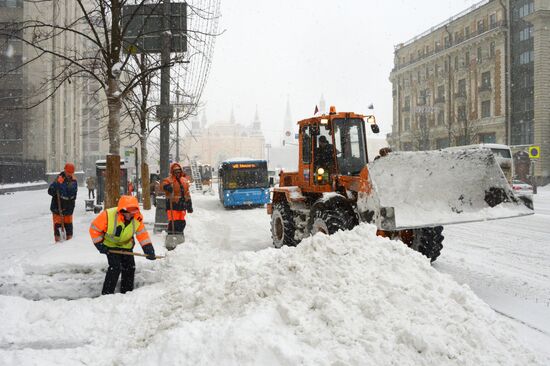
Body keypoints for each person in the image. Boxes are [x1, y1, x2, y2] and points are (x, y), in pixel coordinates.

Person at [89, 195, 156, 295]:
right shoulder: (108, 215)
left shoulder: (137, 218)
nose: (132, 214)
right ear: (122, 210)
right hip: (110, 246)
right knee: (115, 267)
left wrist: (148, 249)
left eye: (134, 210)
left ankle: (127, 292)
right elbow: (94, 229)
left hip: (126, 245)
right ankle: (107, 294)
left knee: (130, 267)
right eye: (130, 211)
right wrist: (100, 245)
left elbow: (142, 234)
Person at [48, 163, 78, 242]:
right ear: (65, 170)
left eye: (71, 173)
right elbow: (50, 191)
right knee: (58, 230)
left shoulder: (74, 180)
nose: (69, 175)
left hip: (68, 209)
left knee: (69, 231)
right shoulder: (59, 179)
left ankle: (68, 247)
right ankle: (58, 247)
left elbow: (74, 194)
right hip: (57, 208)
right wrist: (57, 184)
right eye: (68, 172)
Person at [162, 162, 193, 236]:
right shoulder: (169, 180)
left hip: (182, 206)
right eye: (175, 171)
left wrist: (189, 206)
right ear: (172, 172)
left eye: (179, 171)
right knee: (173, 222)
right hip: (173, 205)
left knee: (181, 222)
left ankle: (179, 235)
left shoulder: (184, 181)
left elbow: (187, 194)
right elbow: (164, 185)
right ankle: (171, 236)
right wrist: (167, 187)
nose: (177, 173)